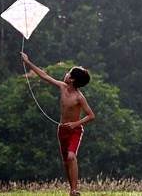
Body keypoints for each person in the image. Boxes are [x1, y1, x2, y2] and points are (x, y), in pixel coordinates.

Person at [21, 52, 95, 196]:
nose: (65, 74)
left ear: (72, 80)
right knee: (66, 162)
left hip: (75, 130)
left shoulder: (79, 98)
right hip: (62, 130)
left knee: (71, 157)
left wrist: (75, 124)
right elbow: (44, 76)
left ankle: (75, 190)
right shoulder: (62, 87)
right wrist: (28, 62)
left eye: (68, 73)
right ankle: (71, 190)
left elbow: (91, 115)